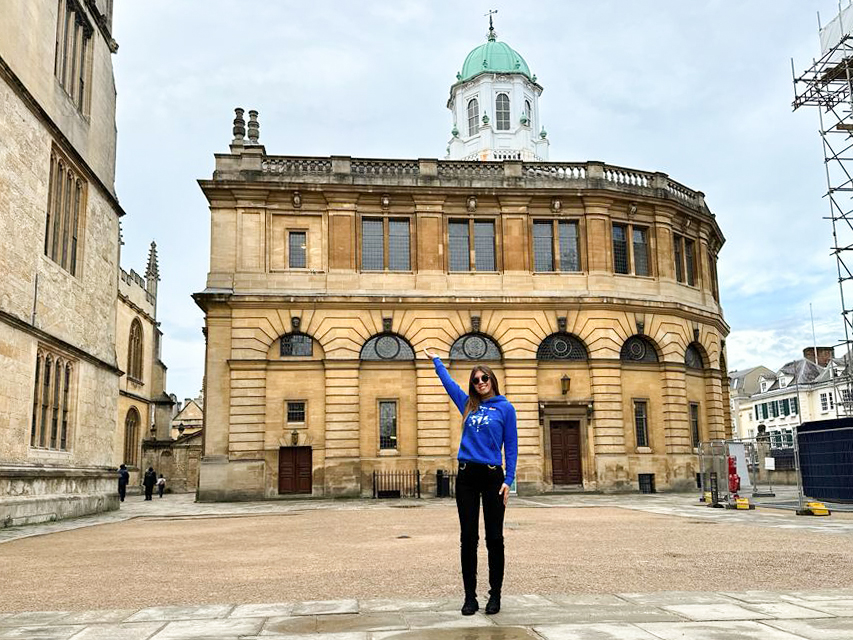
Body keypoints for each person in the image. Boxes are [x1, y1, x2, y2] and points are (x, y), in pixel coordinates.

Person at [424, 347, 518, 616]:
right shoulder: (468, 404)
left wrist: (508, 480)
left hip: (492, 477)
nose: (480, 383)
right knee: (468, 538)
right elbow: (448, 383)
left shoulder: (505, 408)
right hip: (466, 476)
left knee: (495, 539)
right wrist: (437, 362)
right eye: (476, 380)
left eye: (484, 378)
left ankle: (495, 596)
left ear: (492, 380)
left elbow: (511, 446)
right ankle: (469, 597)